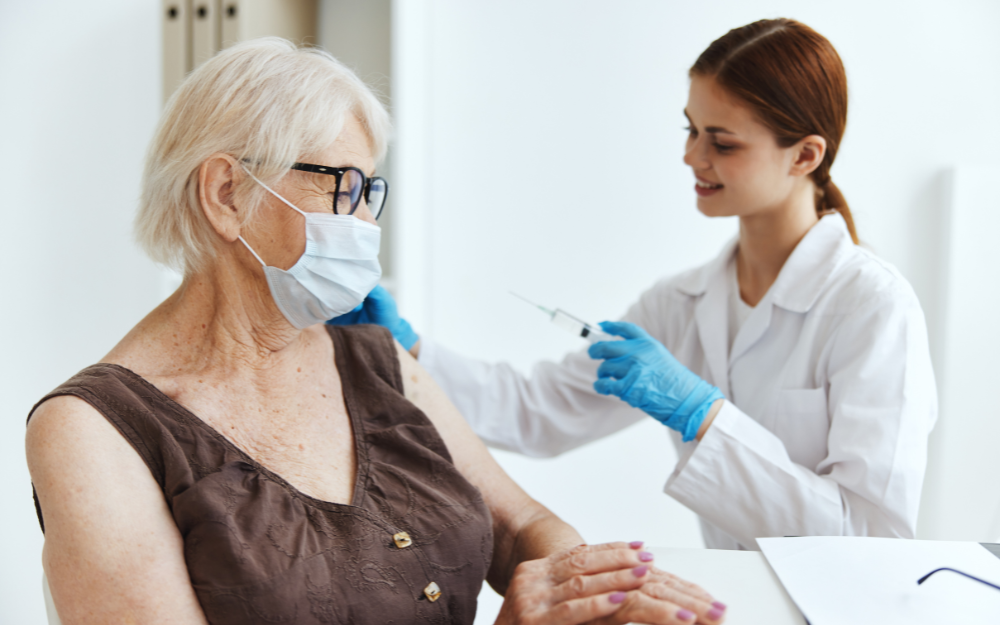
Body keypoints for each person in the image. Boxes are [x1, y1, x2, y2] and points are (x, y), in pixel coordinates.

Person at [24, 39, 728, 624]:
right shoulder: (92, 432)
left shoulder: (374, 357)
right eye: (342, 188)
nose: (364, 224)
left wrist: (580, 587)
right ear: (226, 193)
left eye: (371, 192)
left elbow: (520, 526)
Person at [332, 19, 938, 551]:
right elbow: (534, 413)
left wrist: (706, 418)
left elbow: (873, 539)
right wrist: (405, 348)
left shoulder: (871, 307)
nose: (692, 157)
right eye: (690, 130)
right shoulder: (680, 304)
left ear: (804, 155)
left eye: (721, 142)